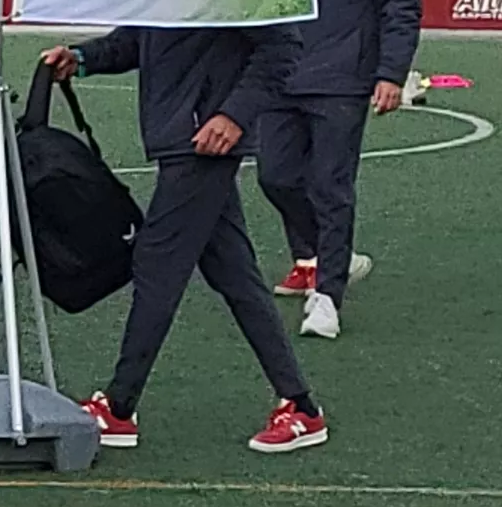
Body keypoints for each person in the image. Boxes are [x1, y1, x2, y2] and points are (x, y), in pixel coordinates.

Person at [41, 23, 331, 456]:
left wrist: (233, 115)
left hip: (204, 140)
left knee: (159, 264)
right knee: (235, 275)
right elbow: (142, 36)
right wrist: (83, 59)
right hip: (186, 135)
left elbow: (283, 47)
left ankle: (119, 406)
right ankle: (301, 405)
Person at [264, 0, 419, 341]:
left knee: (330, 187)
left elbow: (400, 2)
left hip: (342, 79)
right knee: (275, 176)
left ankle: (326, 297)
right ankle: (325, 255)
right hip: (279, 75)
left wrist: (390, 73)